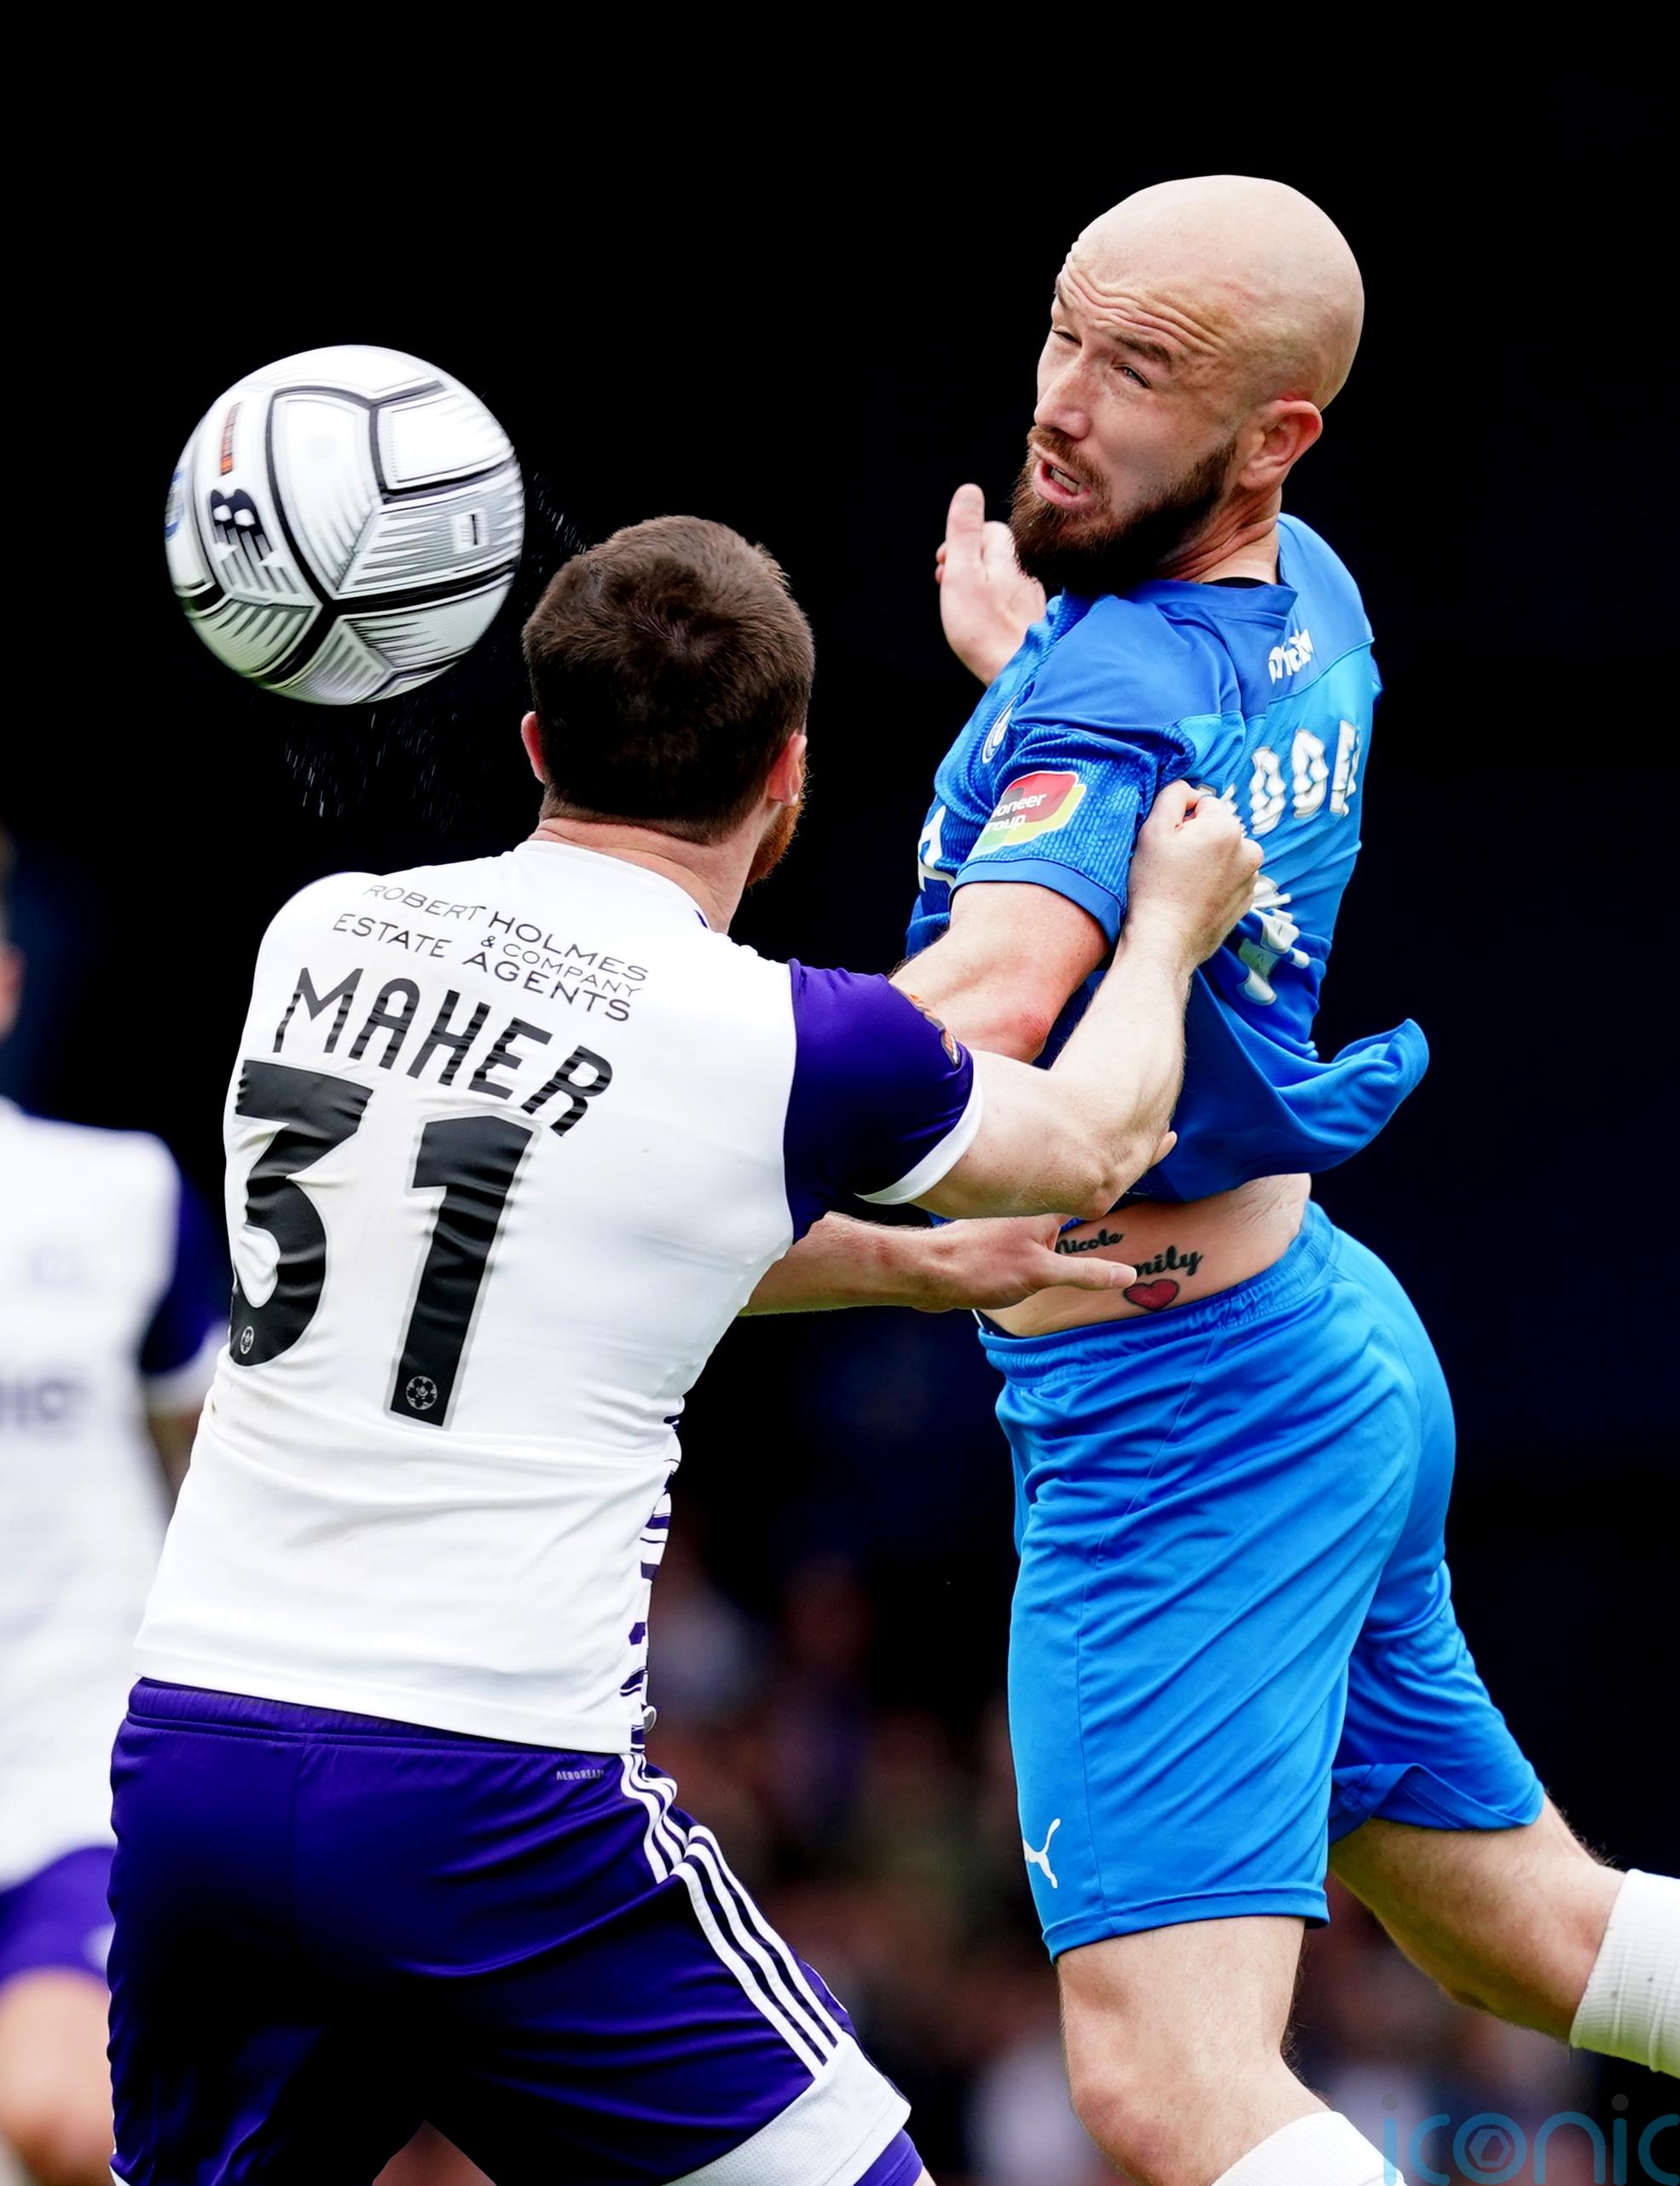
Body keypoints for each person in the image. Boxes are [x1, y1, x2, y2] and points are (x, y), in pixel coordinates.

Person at [103, 515, 1260, 2186]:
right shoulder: (781, 1036)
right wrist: (1166, 925)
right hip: (490, 1798)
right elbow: (1093, 1139)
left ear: (534, 744)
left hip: (198, 1756)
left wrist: (910, 1271)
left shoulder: (324, 931)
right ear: (788, 782)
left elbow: (551, 1235)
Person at [747, 178, 1677, 2185]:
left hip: (1179, 1409)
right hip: (1317, 1340)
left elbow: (990, 998)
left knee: (1166, 2082)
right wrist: (1026, 678)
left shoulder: (1114, 692)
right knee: (1529, 1929)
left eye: (1139, 367)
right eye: (1061, 330)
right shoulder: (1306, 590)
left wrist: (641, 1062)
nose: (1062, 400)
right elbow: (1163, 714)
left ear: (1275, 436)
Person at [0, 827, 223, 2186]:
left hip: (69, 1762)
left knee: (64, 2116)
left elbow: (214, 1471)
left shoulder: (122, 1196)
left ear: (8, 983)